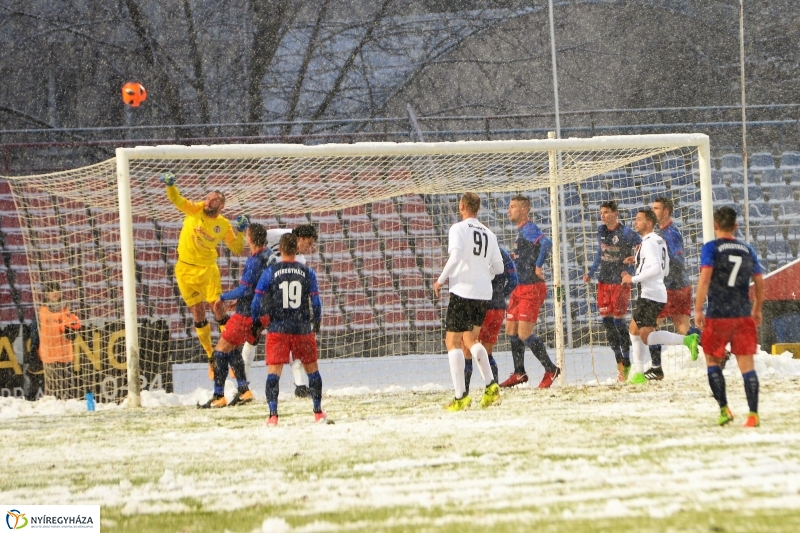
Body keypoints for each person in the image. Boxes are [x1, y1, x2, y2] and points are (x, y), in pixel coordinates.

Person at [160, 171, 249, 380]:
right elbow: (177, 199)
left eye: (214, 200)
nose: (209, 202)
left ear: (221, 207)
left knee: (218, 307)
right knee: (197, 313)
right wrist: (171, 186)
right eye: (208, 198)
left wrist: (242, 231)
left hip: (208, 269)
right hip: (185, 269)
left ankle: (230, 355)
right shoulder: (195, 209)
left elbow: (236, 248)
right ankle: (211, 357)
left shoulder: (224, 224)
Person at [694, 206, 764, 427]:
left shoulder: (712, 248)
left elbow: (705, 278)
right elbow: (760, 281)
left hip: (718, 314)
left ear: (715, 225)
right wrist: (757, 308)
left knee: (712, 360)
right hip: (743, 313)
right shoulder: (746, 248)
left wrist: (697, 309)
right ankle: (753, 415)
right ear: (736, 226)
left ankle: (724, 409)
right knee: (747, 366)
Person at [433, 192, 504, 411]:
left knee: (452, 342)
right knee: (472, 340)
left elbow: (455, 257)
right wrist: (483, 275)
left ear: (462, 206)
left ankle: (460, 397)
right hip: (483, 293)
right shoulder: (489, 233)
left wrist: (440, 280)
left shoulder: (458, 229)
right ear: (478, 208)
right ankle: (491, 386)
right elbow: (499, 269)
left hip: (462, 291)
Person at [251, 233, 325, 426]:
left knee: (273, 373)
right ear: (296, 249)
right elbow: (316, 303)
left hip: (278, 329)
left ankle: (273, 415)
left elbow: (256, 301)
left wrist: (256, 322)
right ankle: (317, 412)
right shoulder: (308, 272)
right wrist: (316, 321)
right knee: (312, 370)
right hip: (301, 328)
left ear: (281, 249)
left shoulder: (270, 272)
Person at [621, 208, 699, 384]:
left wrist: (632, 278)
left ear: (649, 223)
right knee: (635, 330)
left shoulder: (648, 242)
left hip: (649, 293)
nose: (635, 223)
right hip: (657, 292)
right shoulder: (659, 240)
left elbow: (656, 269)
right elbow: (666, 269)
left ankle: (686, 340)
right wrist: (639, 262)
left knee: (645, 335)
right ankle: (640, 373)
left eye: (639, 220)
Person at [200, 223, 272, 408]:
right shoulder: (268, 255)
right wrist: (238, 301)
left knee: (220, 350)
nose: (245, 237)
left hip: (247, 314)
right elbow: (256, 287)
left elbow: (245, 288)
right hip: (261, 312)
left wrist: (223, 297)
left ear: (250, 238)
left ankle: (218, 396)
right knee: (231, 348)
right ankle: (244, 391)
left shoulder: (255, 260)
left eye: (246, 234)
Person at [245, 223, 319, 398]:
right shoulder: (278, 235)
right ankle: (243, 385)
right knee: (252, 337)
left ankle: (300, 386)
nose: (309, 248)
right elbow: (258, 237)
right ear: (298, 239)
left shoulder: (301, 262)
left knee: (291, 342)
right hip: (263, 294)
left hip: (279, 303)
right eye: (308, 243)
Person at [500, 194, 560, 389]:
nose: (509, 210)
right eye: (509, 207)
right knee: (511, 330)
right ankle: (519, 373)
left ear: (524, 210)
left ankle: (551, 369)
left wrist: (538, 266)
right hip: (519, 288)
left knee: (525, 333)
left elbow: (547, 243)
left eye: (513, 207)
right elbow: (524, 255)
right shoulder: (521, 232)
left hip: (531, 287)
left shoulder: (529, 228)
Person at [582, 200, 641, 382]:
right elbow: (600, 254)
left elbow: (641, 248)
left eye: (606, 212)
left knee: (619, 323)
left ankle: (628, 358)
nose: (603, 215)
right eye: (601, 212)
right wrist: (591, 272)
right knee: (607, 324)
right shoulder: (601, 231)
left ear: (615, 213)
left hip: (620, 283)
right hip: (604, 282)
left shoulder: (626, 233)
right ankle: (620, 364)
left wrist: (630, 271)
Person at [646, 196, 693, 380]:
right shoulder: (664, 233)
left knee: (649, 325)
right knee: (683, 329)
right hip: (680, 286)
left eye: (656, 208)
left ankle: (656, 367)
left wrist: (661, 264)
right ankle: (719, 350)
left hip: (672, 288)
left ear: (666, 211)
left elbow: (679, 260)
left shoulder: (670, 234)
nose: (653, 211)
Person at [465, 247, 517, 394]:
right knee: (487, 353)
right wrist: (500, 295)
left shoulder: (475, 252)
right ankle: (493, 391)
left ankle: (463, 393)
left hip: (481, 306)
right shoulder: (502, 253)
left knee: (466, 346)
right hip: (498, 309)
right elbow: (514, 280)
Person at [38, 282, 81, 399]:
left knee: (66, 384)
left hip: (64, 353)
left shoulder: (67, 309)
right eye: (51, 290)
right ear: (47, 294)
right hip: (48, 353)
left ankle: (68, 402)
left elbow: (73, 332)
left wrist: (71, 330)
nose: (55, 293)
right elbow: (35, 331)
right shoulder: (41, 310)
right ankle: (53, 404)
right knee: (52, 386)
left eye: (57, 290)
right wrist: (33, 348)